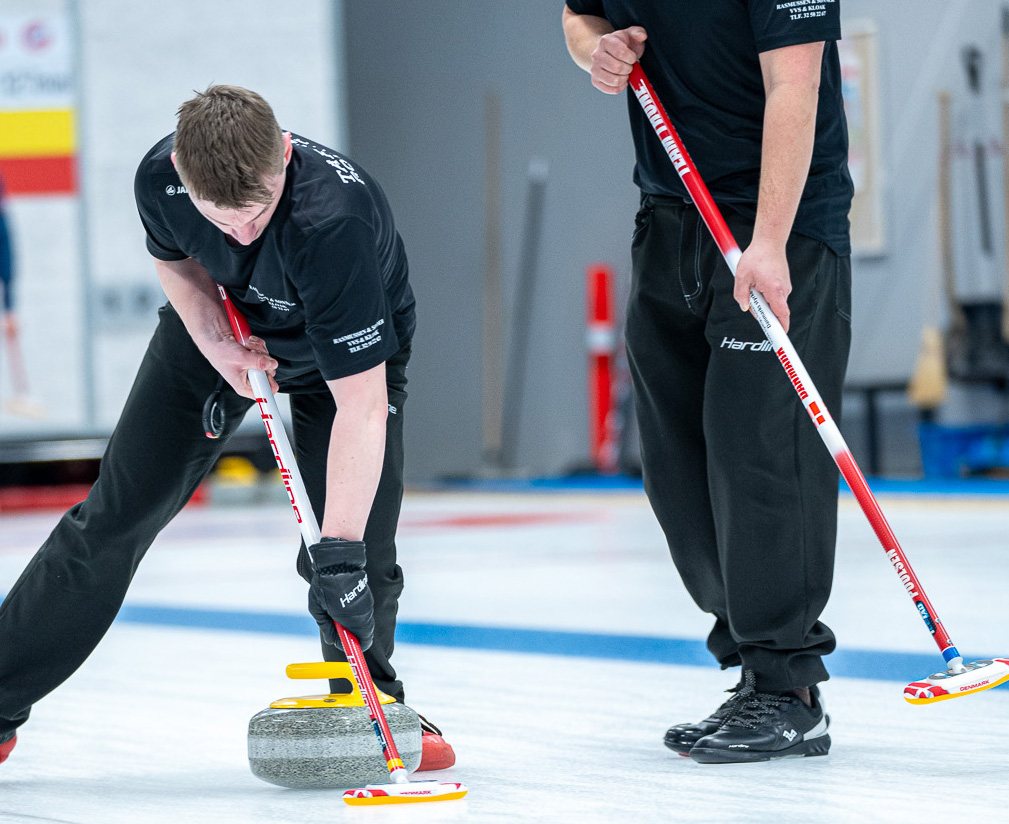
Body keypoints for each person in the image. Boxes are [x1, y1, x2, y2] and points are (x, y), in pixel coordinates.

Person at [0, 85, 454, 771]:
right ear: (183, 171)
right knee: (113, 519)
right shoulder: (160, 177)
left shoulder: (333, 221)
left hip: (344, 360)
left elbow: (360, 406)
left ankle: (371, 709)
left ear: (285, 155)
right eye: (224, 221)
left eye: (257, 214)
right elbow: (177, 261)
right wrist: (217, 344)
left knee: (355, 551)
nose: (242, 235)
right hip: (218, 328)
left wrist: (336, 551)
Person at [563, 2, 853, 763]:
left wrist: (770, 240)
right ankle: (752, 667)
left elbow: (796, 86)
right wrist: (597, 51)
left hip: (773, 220)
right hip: (667, 214)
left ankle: (786, 684)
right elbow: (578, 18)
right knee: (676, 461)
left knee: (760, 452)